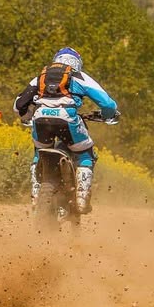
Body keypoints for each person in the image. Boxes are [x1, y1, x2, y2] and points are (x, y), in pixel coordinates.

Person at [13, 47, 119, 215]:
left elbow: (18, 104)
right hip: (67, 119)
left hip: (40, 119)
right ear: (77, 63)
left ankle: (35, 194)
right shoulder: (78, 76)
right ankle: (82, 198)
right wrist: (108, 116)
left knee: (39, 153)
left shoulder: (41, 76)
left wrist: (27, 117)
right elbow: (108, 104)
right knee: (85, 153)